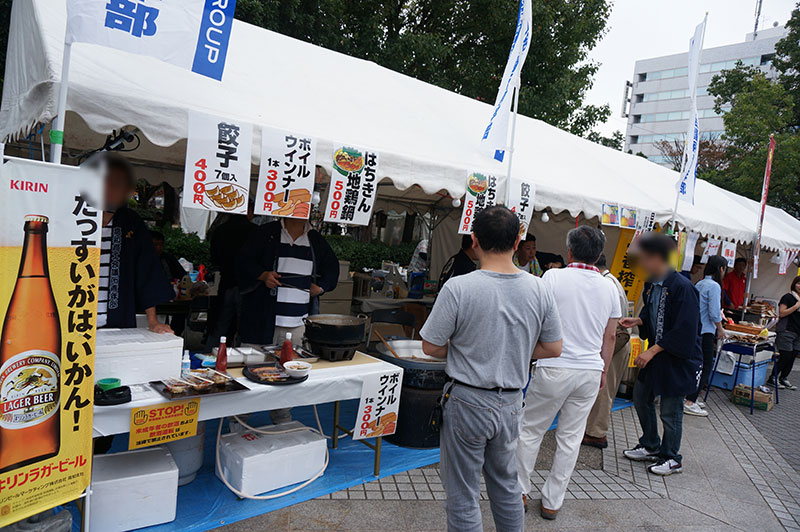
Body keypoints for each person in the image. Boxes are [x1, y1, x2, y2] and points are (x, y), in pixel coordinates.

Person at [420, 206, 562, 532]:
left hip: (466, 400)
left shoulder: (459, 288)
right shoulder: (539, 288)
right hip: (512, 402)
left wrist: (468, 347)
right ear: (517, 241)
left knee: (463, 492)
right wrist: (516, 350)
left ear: (474, 240)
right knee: (507, 484)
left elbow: (430, 345)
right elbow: (554, 347)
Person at [516, 226, 619, 520]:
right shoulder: (609, 287)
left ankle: (520, 490)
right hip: (589, 370)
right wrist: (603, 370)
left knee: (531, 430)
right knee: (571, 438)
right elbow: (609, 337)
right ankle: (552, 501)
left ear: (570, 250)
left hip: (554, 366)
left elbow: (534, 321)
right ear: (599, 254)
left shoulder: (553, 277)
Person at [620, 232, 702, 477]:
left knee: (670, 409)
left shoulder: (683, 287)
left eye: (644, 258)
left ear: (657, 257)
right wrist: (639, 320)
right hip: (657, 353)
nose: (641, 263)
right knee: (640, 396)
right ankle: (650, 443)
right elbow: (652, 314)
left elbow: (685, 330)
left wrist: (653, 350)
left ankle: (671, 457)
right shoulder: (651, 284)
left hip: (677, 358)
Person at [99, 154, 174, 333]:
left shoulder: (130, 222)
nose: (112, 190)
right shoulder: (77, 215)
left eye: (119, 186)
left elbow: (146, 269)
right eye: (107, 183)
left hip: (116, 319)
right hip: (73, 317)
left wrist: (153, 321)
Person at [582, 253, 631, 449]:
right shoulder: (610, 281)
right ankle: (593, 429)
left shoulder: (607, 284)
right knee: (603, 388)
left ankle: (596, 434)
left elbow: (611, 329)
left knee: (604, 390)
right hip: (616, 342)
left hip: (614, 343)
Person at [204, 206, 256, 350]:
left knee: (220, 325)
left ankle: (210, 356)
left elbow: (214, 259)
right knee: (244, 328)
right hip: (248, 285)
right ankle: (240, 356)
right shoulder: (255, 231)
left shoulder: (220, 230)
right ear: (248, 211)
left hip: (225, 281)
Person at [684, 256, 727, 416]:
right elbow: (714, 312)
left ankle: (688, 397)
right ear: (721, 269)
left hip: (695, 329)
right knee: (705, 366)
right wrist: (721, 329)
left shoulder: (700, 283)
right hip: (707, 331)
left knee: (695, 365)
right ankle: (690, 401)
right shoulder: (714, 286)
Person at [775, 276, 800, 390]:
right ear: (794, 284)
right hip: (786, 331)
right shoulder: (788, 297)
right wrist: (796, 306)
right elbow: (782, 313)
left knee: (792, 356)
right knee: (785, 356)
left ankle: (784, 377)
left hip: (798, 333)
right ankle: (773, 377)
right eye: (798, 283)